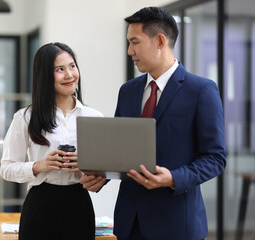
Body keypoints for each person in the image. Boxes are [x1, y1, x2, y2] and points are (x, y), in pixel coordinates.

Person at [80, 7, 226, 240]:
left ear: (160, 41)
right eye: (128, 43)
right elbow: (119, 150)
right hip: (130, 223)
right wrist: (101, 177)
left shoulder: (201, 90)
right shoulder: (128, 91)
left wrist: (173, 178)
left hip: (178, 225)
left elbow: (216, 158)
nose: (130, 51)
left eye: (135, 42)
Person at [0, 42, 102, 240]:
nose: (69, 75)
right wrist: (39, 166)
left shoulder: (94, 117)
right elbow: (6, 168)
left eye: (72, 66)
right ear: (45, 75)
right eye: (60, 69)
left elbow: (103, 169)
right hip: (40, 206)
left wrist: (86, 166)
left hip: (79, 204)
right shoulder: (25, 117)